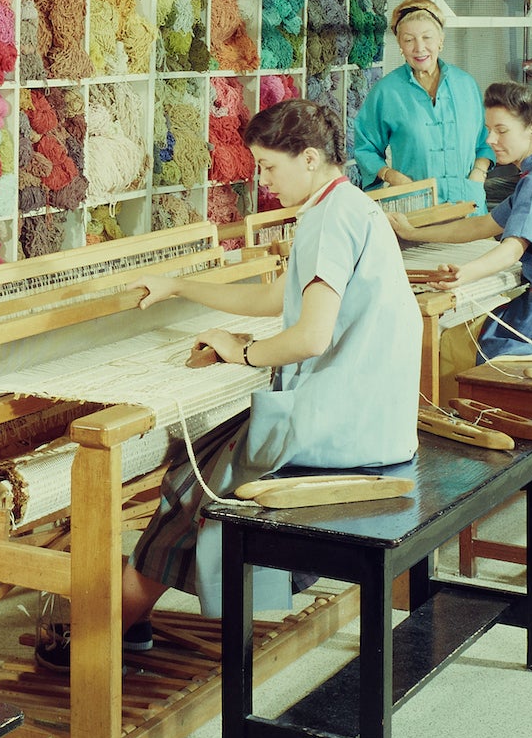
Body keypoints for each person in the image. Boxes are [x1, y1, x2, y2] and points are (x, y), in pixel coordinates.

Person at [35, 99, 421, 668]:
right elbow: (277, 300)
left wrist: (242, 352)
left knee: (193, 492)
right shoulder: (348, 206)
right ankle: (130, 622)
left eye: (269, 167)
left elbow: (311, 336)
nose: (263, 182)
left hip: (340, 429)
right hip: (371, 415)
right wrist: (183, 287)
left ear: (310, 159)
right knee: (201, 472)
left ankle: (104, 631)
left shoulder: (327, 220)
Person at [391, 78, 532, 383]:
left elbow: (513, 248)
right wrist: (413, 233)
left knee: (455, 343)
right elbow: (481, 225)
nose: (490, 139)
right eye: (489, 130)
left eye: (501, 131)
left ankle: (458, 419)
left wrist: (463, 275)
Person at [350, 0, 494, 212]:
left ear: (440, 41)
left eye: (427, 37)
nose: (419, 48)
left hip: (468, 204)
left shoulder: (466, 84)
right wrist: (391, 176)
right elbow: (365, 147)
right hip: (414, 208)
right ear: (400, 45)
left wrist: (478, 174)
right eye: (409, 40)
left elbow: (487, 140)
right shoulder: (387, 91)